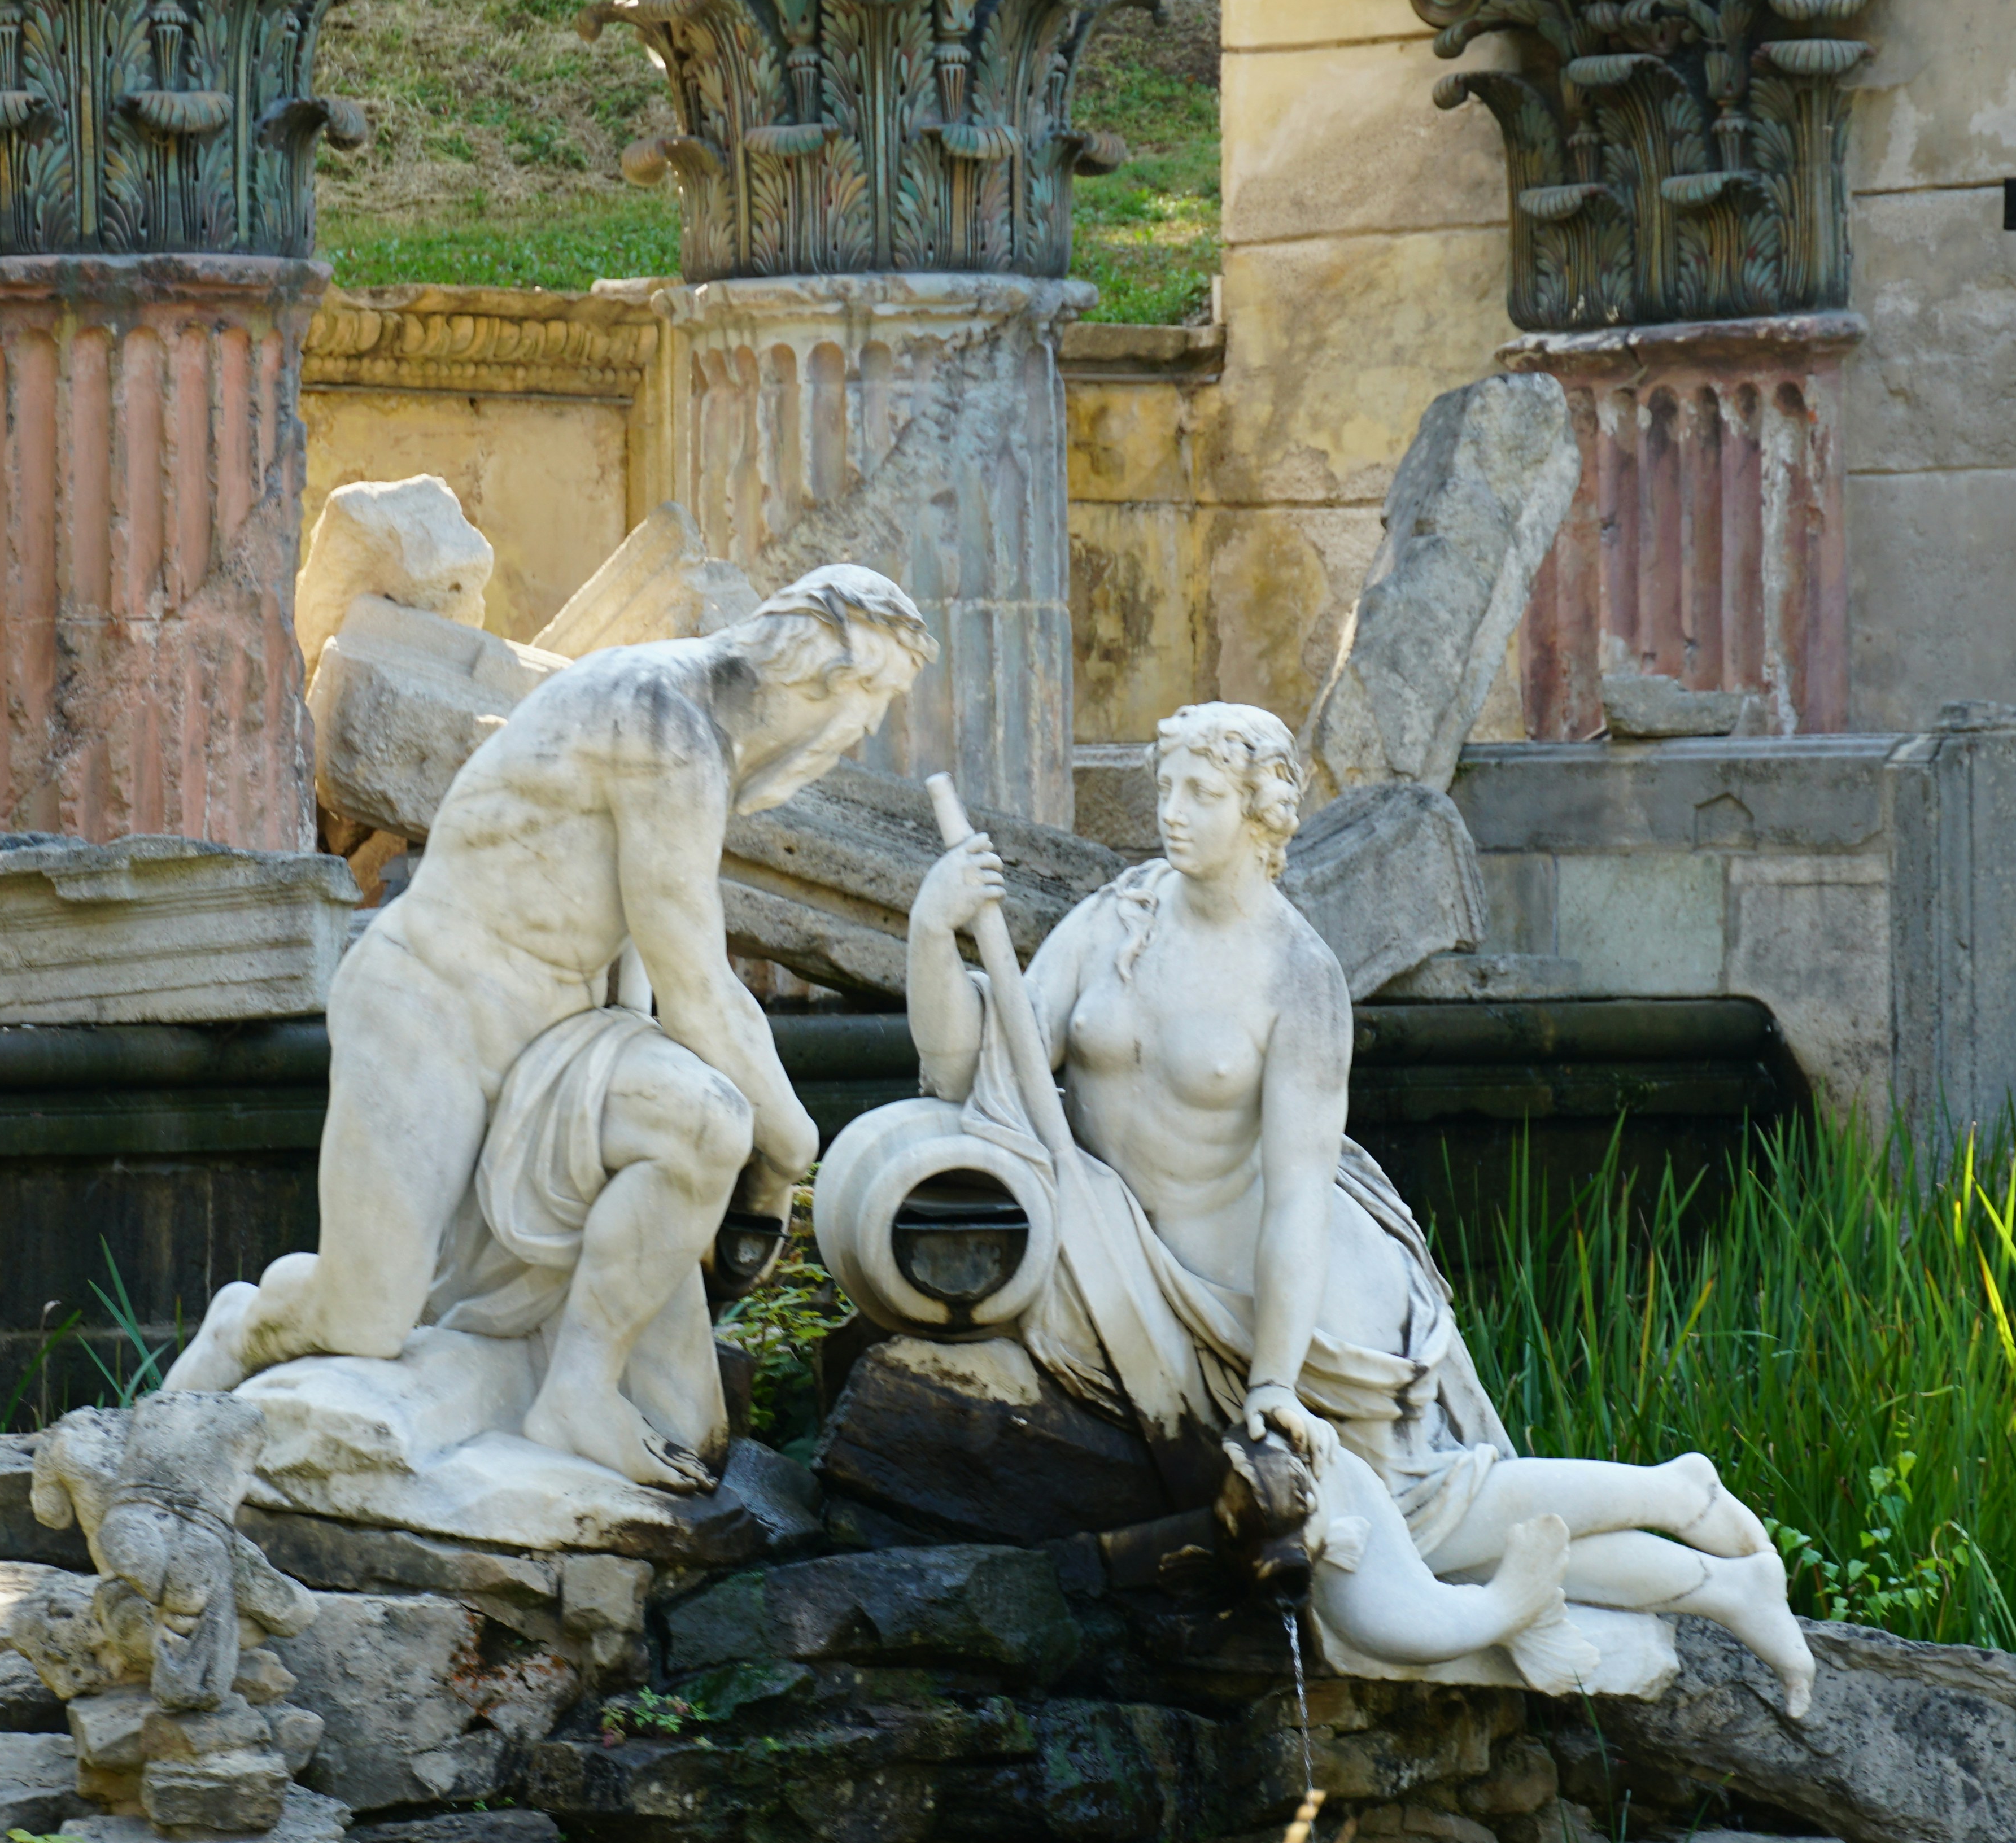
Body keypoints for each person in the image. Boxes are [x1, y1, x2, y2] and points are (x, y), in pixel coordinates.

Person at [902, 700, 1816, 1711]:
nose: (1172, 812)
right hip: (1148, 1276)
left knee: (1426, 1524)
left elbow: (1297, 1198)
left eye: (1201, 793)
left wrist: (1274, 1379)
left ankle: (1678, 1496)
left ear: (1260, 812)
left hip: (1302, 1292)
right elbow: (966, 1074)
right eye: (1166, 788)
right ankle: (1722, 1582)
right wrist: (934, 932)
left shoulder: (1298, 975)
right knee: (1428, 1550)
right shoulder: (1114, 922)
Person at [168, 565, 937, 1495]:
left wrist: (742, 1140)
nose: (861, 733)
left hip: (558, 1034)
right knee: (365, 1318)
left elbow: (645, 947)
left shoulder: (702, 737)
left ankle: (580, 1388)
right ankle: (237, 1333)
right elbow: (699, 986)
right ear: (827, 679)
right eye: (873, 705)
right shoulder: (662, 718)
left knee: (704, 1121)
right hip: (433, 1012)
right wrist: (791, 1147)